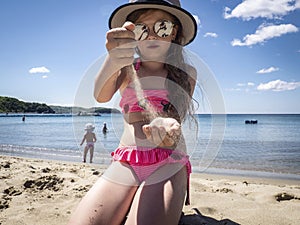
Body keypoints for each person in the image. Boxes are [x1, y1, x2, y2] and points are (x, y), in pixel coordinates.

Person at [68, 0, 197, 224]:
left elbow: (178, 116)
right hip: (127, 160)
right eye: (141, 29)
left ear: (174, 32)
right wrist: (114, 57)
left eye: (162, 27)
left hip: (169, 161)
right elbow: (100, 95)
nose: (152, 36)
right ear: (132, 33)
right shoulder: (126, 69)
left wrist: (167, 126)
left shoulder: (187, 73)